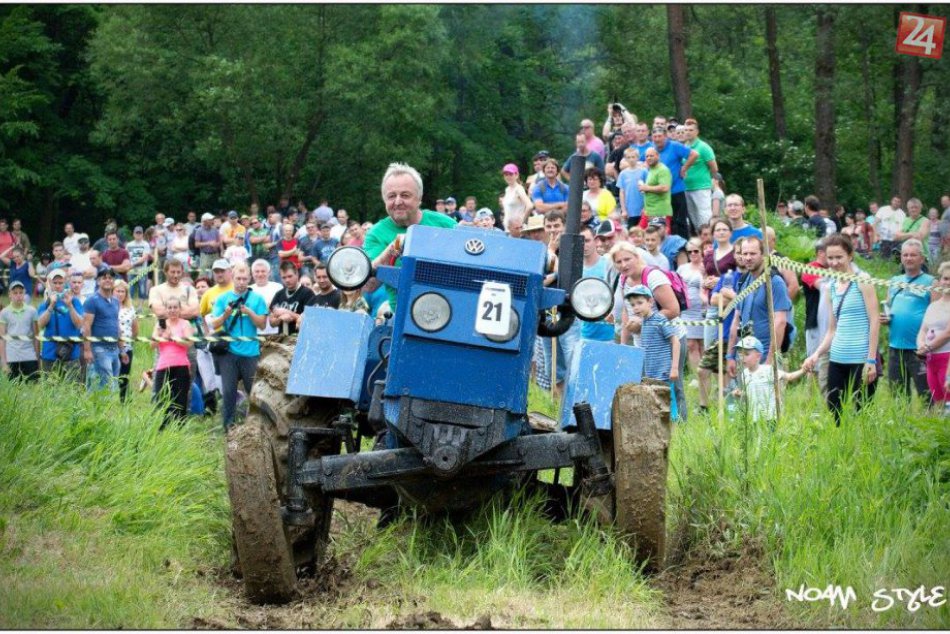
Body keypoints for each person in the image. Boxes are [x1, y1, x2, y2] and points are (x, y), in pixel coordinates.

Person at [802, 235, 880, 426]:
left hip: (861, 358)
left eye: (839, 257)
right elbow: (831, 330)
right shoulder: (831, 287)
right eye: (831, 258)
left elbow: (875, 320)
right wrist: (816, 354)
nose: (835, 262)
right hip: (837, 357)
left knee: (863, 412)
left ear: (850, 255)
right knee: (835, 408)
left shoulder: (863, 280)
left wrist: (871, 360)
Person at [364, 162, 457, 311]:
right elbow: (368, 286)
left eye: (405, 195)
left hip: (448, 310)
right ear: (384, 200)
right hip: (402, 316)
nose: (398, 201)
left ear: (419, 198)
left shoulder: (446, 224)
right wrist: (395, 247)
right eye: (391, 196)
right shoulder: (376, 234)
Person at [611, 242, 687, 419]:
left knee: (673, 385)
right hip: (644, 343)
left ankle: (681, 428)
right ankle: (657, 426)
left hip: (668, 339)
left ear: (637, 257)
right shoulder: (623, 279)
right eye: (619, 261)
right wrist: (624, 344)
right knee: (648, 386)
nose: (623, 265)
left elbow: (673, 309)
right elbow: (626, 312)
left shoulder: (653, 276)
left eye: (627, 259)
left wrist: (643, 323)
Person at [210, 263, 267, 430]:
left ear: (249, 278)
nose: (241, 282)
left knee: (254, 392)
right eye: (238, 279)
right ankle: (229, 428)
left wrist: (249, 312)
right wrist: (226, 314)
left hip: (250, 352)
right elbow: (214, 324)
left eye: (244, 279)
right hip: (229, 352)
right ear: (232, 278)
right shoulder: (223, 298)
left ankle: (259, 427)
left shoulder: (257, 299)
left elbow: (262, 325)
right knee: (228, 392)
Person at [726, 237, 793, 376]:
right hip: (744, 355)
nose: (748, 258)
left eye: (753, 253)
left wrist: (769, 362)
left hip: (765, 353)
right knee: (746, 397)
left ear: (763, 255)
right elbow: (736, 320)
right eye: (745, 254)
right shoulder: (743, 281)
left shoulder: (774, 281)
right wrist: (730, 356)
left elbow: (780, 322)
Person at [881, 239, 933, 400]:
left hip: (920, 349)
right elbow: (889, 307)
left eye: (913, 255)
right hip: (895, 346)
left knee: (927, 394)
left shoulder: (931, 282)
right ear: (901, 258)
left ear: (921, 258)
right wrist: (886, 318)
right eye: (905, 255)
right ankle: (901, 424)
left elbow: (938, 314)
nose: (909, 258)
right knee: (898, 395)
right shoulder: (895, 281)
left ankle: (929, 423)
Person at [624, 284, 681, 421]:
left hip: (663, 371)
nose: (636, 307)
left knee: (668, 403)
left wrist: (674, 368)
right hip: (651, 373)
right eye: (632, 305)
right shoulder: (645, 322)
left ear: (650, 302)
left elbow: (675, 342)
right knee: (656, 404)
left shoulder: (659, 319)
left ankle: (675, 431)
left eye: (639, 303)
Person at [732, 336, 806, 423]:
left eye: (746, 354)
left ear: (758, 356)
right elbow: (750, 394)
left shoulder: (768, 370)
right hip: (754, 418)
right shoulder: (745, 374)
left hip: (771, 417)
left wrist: (803, 370)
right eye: (740, 354)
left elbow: (789, 377)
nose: (742, 358)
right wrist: (740, 394)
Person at [148, 295, 195, 428]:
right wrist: (159, 335)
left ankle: (179, 427)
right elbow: (152, 345)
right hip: (163, 365)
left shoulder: (185, 324)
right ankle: (163, 427)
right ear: (166, 310)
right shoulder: (160, 324)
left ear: (180, 309)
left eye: (175, 307)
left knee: (180, 398)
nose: (172, 310)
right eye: (169, 307)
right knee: (161, 396)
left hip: (181, 365)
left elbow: (189, 343)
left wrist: (172, 337)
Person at [651, 126, 699, 239]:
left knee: (680, 221)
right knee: (666, 222)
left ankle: (684, 246)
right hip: (660, 193)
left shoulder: (674, 146)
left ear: (665, 136)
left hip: (676, 190)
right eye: (655, 137)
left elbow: (694, 154)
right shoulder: (652, 150)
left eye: (660, 136)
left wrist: (684, 168)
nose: (657, 139)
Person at [36, 269, 84, 379]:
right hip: (49, 354)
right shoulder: (45, 304)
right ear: (50, 283)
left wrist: (70, 306)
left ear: (65, 283)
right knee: (50, 392)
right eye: (55, 283)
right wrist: (51, 306)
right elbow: (40, 325)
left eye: (60, 283)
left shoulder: (75, 302)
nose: (58, 286)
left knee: (72, 390)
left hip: (71, 353)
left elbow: (79, 324)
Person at [678, 237, 708, 408]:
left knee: (703, 345)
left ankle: (705, 374)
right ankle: (697, 376)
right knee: (690, 345)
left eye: (696, 251)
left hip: (702, 310)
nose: (693, 254)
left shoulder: (707, 267)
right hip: (687, 311)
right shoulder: (682, 268)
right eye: (690, 252)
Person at [82, 268, 123, 392]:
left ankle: (100, 409)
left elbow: (116, 322)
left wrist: (123, 348)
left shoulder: (116, 301)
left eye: (110, 278)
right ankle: (104, 410)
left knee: (111, 385)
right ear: (98, 281)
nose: (108, 280)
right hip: (99, 349)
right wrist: (87, 350)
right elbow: (86, 326)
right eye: (104, 278)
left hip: (114, 349)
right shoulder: (92, 301)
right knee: (107, 385)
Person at [916, 261, 950, 409]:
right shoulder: (933, 305)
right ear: (940, 280)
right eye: (946, 278)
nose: (948, 282)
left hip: (947, 359)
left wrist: (927, 347)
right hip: (931, 360)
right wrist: (921, 344)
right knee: (938, 402)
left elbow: (948, 333)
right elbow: (923, 329)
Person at [579, 226, 615, 342]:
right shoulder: (576, 270)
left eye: (587, 240)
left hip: (610, 334)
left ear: (595, 240)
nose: (584, 245)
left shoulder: (609, 264)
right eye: (581, 241)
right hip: (585, 334)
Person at [682, 118, 718, 232]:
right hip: (687, 187)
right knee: (693, 218)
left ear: (697, 131)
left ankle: (710, 241)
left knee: (704, 217)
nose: (688, 132)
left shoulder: (703, 147)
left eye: (691, 130)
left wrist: (709, 180)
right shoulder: (684, 147)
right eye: (686, 130)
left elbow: (714, 168)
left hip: (701, 187)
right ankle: (701, 242)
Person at [0, 281, 39, 381]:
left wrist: (37, 358)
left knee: (33, 389)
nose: (18, 296)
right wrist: (4, 363)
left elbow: (36, 337)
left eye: (21, 292)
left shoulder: (32, 311)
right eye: (15, 293)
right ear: (9, 294)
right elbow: (2, 339)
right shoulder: (4, 313)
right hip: (11, 357)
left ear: (24, 293)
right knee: (14, 392)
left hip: (29, 356)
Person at [269, 261, 317, 335]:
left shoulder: (308, 293)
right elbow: (271, 323)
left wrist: (288, 313)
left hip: (300, 339)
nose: (287, 280)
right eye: (284, 277)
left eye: (290, 276)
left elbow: (309, 320)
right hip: (282, 340)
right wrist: (280, 319)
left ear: (297, 274)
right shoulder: (279, 294)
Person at [113, 280, 139, 403]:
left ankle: (123, 401)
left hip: (127, 347)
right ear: (113, 291)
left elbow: (135, 328)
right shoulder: (110, 306)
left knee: (124, 375)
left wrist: (130, 340)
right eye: (117, 291)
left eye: (122, 291)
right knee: (112, 375)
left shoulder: (130, 308)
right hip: (111, 347)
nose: (120, 294)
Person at [638, 147, 672, 231]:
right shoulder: (651, 169)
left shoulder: (662, 170)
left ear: (658, 156)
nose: (649, 158)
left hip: (660, 212)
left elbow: (665, 188)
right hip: (649, 211)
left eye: (651, 156)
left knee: (660, 238)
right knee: (639, 234)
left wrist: (646, 188)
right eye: (647, 156)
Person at [500, 163, 533, 231]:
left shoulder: (518, 189)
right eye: (506, 174)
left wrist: (521, 221)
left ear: (516, 175)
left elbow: (530, 205)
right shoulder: (507, 189)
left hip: (517, 228)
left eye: (511, 174)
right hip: (508, 228)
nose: (508, 177)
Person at [126, 226, 152, 300]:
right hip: (131, 270)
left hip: (142, 270)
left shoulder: (145, 244)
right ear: (133, 234)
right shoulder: (129, 245)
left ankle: (141, 306)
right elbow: (126, 257)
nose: (138, 234)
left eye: (140, 233)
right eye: (136, 233)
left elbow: (144, 257)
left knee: (142, 287)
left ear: (142, 234)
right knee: (130, 287)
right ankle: (129, 303)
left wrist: (133, 264)